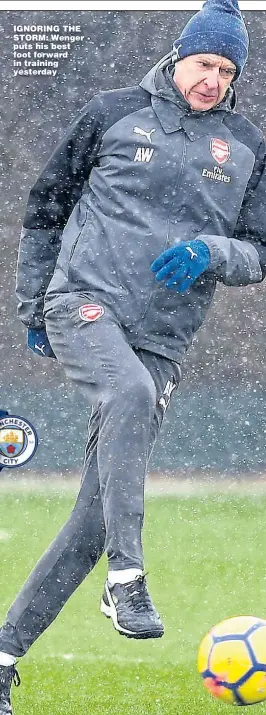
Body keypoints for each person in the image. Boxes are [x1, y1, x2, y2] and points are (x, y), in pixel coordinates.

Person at [2, 0, 266, 710]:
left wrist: (212, 250)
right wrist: (34, 304)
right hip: (85, 300)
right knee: (126, 394)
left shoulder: (245, 144)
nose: (213, 79)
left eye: (226, 69)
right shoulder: (112, 112)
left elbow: (259, 251)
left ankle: (1, 655)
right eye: (204, 62)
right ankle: (128, 577)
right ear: (179, 55)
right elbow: (46, 203)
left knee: (92, 516)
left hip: (162, 341)